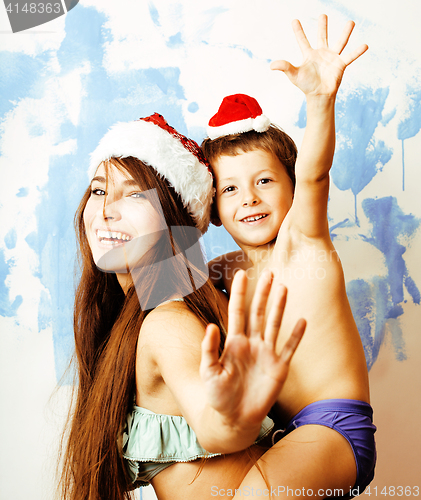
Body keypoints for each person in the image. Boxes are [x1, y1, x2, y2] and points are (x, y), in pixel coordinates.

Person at [58, 112, 306, 500]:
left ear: (174, 220)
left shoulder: (167, 322)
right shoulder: (137, 317)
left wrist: (232, 418)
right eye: (99, 191)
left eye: (136, 194)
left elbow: (215, 424)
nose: (106, 210)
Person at [201, 15, 376, 498]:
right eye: (230, 189)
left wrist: (320, 100)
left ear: (292, 188)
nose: (249, 199)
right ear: (214, 209)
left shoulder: (305, 242)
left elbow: (317, 172)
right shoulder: (225, 273)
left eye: (264, 181)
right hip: (275, 431)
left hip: (334, 426)